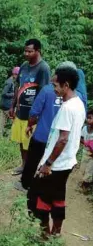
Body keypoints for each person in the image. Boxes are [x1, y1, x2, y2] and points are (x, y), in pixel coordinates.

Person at [30, 66, 85, 238]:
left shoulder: (67, 108)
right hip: (66, 161)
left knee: (41, 199)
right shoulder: (79, 104)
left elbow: (63, 139)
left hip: (57, 164)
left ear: (65, 85)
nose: (53, 89)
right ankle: (56, 233)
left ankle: (45, 235)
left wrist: (47, 164)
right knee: (57, 197)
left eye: (56, 86)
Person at [17, 62, 76, 192]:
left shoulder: (47, 90)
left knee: (33, 161)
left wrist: (29, 125)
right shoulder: (76, 97)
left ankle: (25, 184)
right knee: (53, 165)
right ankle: (45, 187)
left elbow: (34, 112)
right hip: (61, 141)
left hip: (42, 136)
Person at [10, 39, 51, 176]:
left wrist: (37, 114)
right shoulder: (24, 66)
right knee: (22, 141)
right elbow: (18, 87)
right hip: (20, 112)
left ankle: (32, 169)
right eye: (25, 50)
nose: (26, 53)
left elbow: (45, 93)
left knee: (32, 143)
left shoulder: (43, 68)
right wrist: (13, 105)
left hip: (33, 115)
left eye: (29, 51)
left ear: (37, 51)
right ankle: (24, 165)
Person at [0, 67, 19, 136]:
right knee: (14, 121)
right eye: (17, 75)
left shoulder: (11, 81)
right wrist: (14, 94)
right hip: (6, 106)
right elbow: (4, 93)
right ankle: (9, 136)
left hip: (3, 105)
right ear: (14, 74)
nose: (18, 77)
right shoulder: (9, 82)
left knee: (2, 122)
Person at [79, 109, 93, 188]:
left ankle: (86, 185)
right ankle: (85, 182)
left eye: (90, 118)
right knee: (83, 168)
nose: (88, 120)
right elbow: (80, 138)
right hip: (85, 152)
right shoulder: (84, 128)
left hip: (92, 155)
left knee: (89, 169)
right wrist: (86, 143)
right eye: (87, 118)